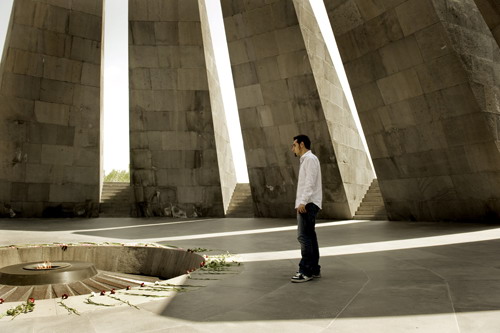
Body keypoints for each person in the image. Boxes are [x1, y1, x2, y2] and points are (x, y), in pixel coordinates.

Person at [290, 134, 322, 283]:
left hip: (308, 204)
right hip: (308, 202)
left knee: (303, 237)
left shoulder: (309, 159)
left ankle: (305, 270)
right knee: (310, 236)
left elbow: (310, 183)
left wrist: (302, 202)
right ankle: (314, 269)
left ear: (301, 144)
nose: (293, 149)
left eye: (294, 145)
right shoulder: (307, 160)